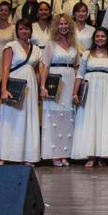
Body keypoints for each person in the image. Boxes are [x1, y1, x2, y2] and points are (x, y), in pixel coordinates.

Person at [0, 19, 42, 166]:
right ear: (17, 31)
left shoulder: (36, 49)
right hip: (14, 85)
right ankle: (4, 155)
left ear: (31, 31)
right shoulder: (11, 46)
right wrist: (3, 89)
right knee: (11, 119)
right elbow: (5, 69)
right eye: (21, 29)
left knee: (28, 119)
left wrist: (40, 88)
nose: (24, 31)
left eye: (27, 29)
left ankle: (27, 155)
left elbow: (37, 71)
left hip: (31, 86)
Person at [71, 28, 108, 167]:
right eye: (97, 36)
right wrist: (75, 93)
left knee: (104, 120)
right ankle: (91, 155)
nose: (100, 38)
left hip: (107, 89)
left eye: (102, 36)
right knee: (90, 119)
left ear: (107, 38)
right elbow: (80, 74)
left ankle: (102, 155)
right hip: (90, 90)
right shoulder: (87, 54)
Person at [39, 14, 80, 167]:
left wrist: (77, 88)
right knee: (54, 117)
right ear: (57, 26)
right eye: (61, 24)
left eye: (66, 24)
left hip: (69, 79)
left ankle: (65, 154)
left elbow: (77, 66)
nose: (64, 26)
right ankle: (54, 154)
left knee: (68, 117)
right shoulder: (51, 44)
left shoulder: (74, 44)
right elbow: (45, 66)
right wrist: (43, 86)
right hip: (55, 80)